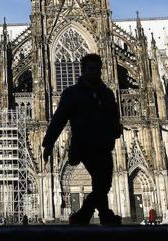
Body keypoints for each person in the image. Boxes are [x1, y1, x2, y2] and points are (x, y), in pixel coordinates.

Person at [42, 54, 122, 225]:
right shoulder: (72, 93)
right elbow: (59, 119)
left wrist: (116, 131)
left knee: (104, 183)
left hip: (104, 145)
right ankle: (102, 215)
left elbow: (114, 115)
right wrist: (48, 143)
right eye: (91, 69)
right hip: (84, 145)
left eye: (98, 69)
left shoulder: (107, 93)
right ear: (83, 70)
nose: (95, 73)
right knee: (101, 181)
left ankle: (83, 216)